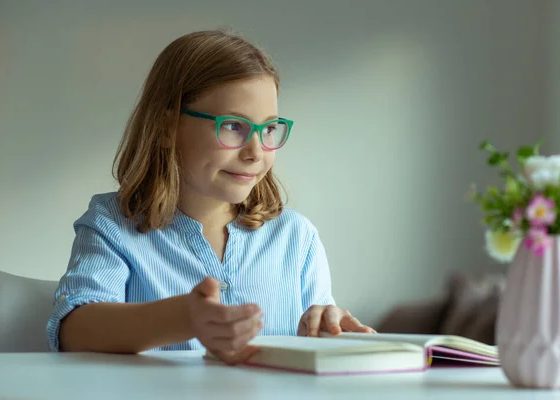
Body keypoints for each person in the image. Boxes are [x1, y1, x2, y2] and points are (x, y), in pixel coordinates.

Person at [46, 29, 375, 364]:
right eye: (233, 125)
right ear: (165, 129)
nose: (255, 151)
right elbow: (73, 331)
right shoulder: (112, 224)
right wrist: (183, 319)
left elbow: (316, 337)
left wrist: (329, 335)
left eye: (269, 129)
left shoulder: (297, 238)